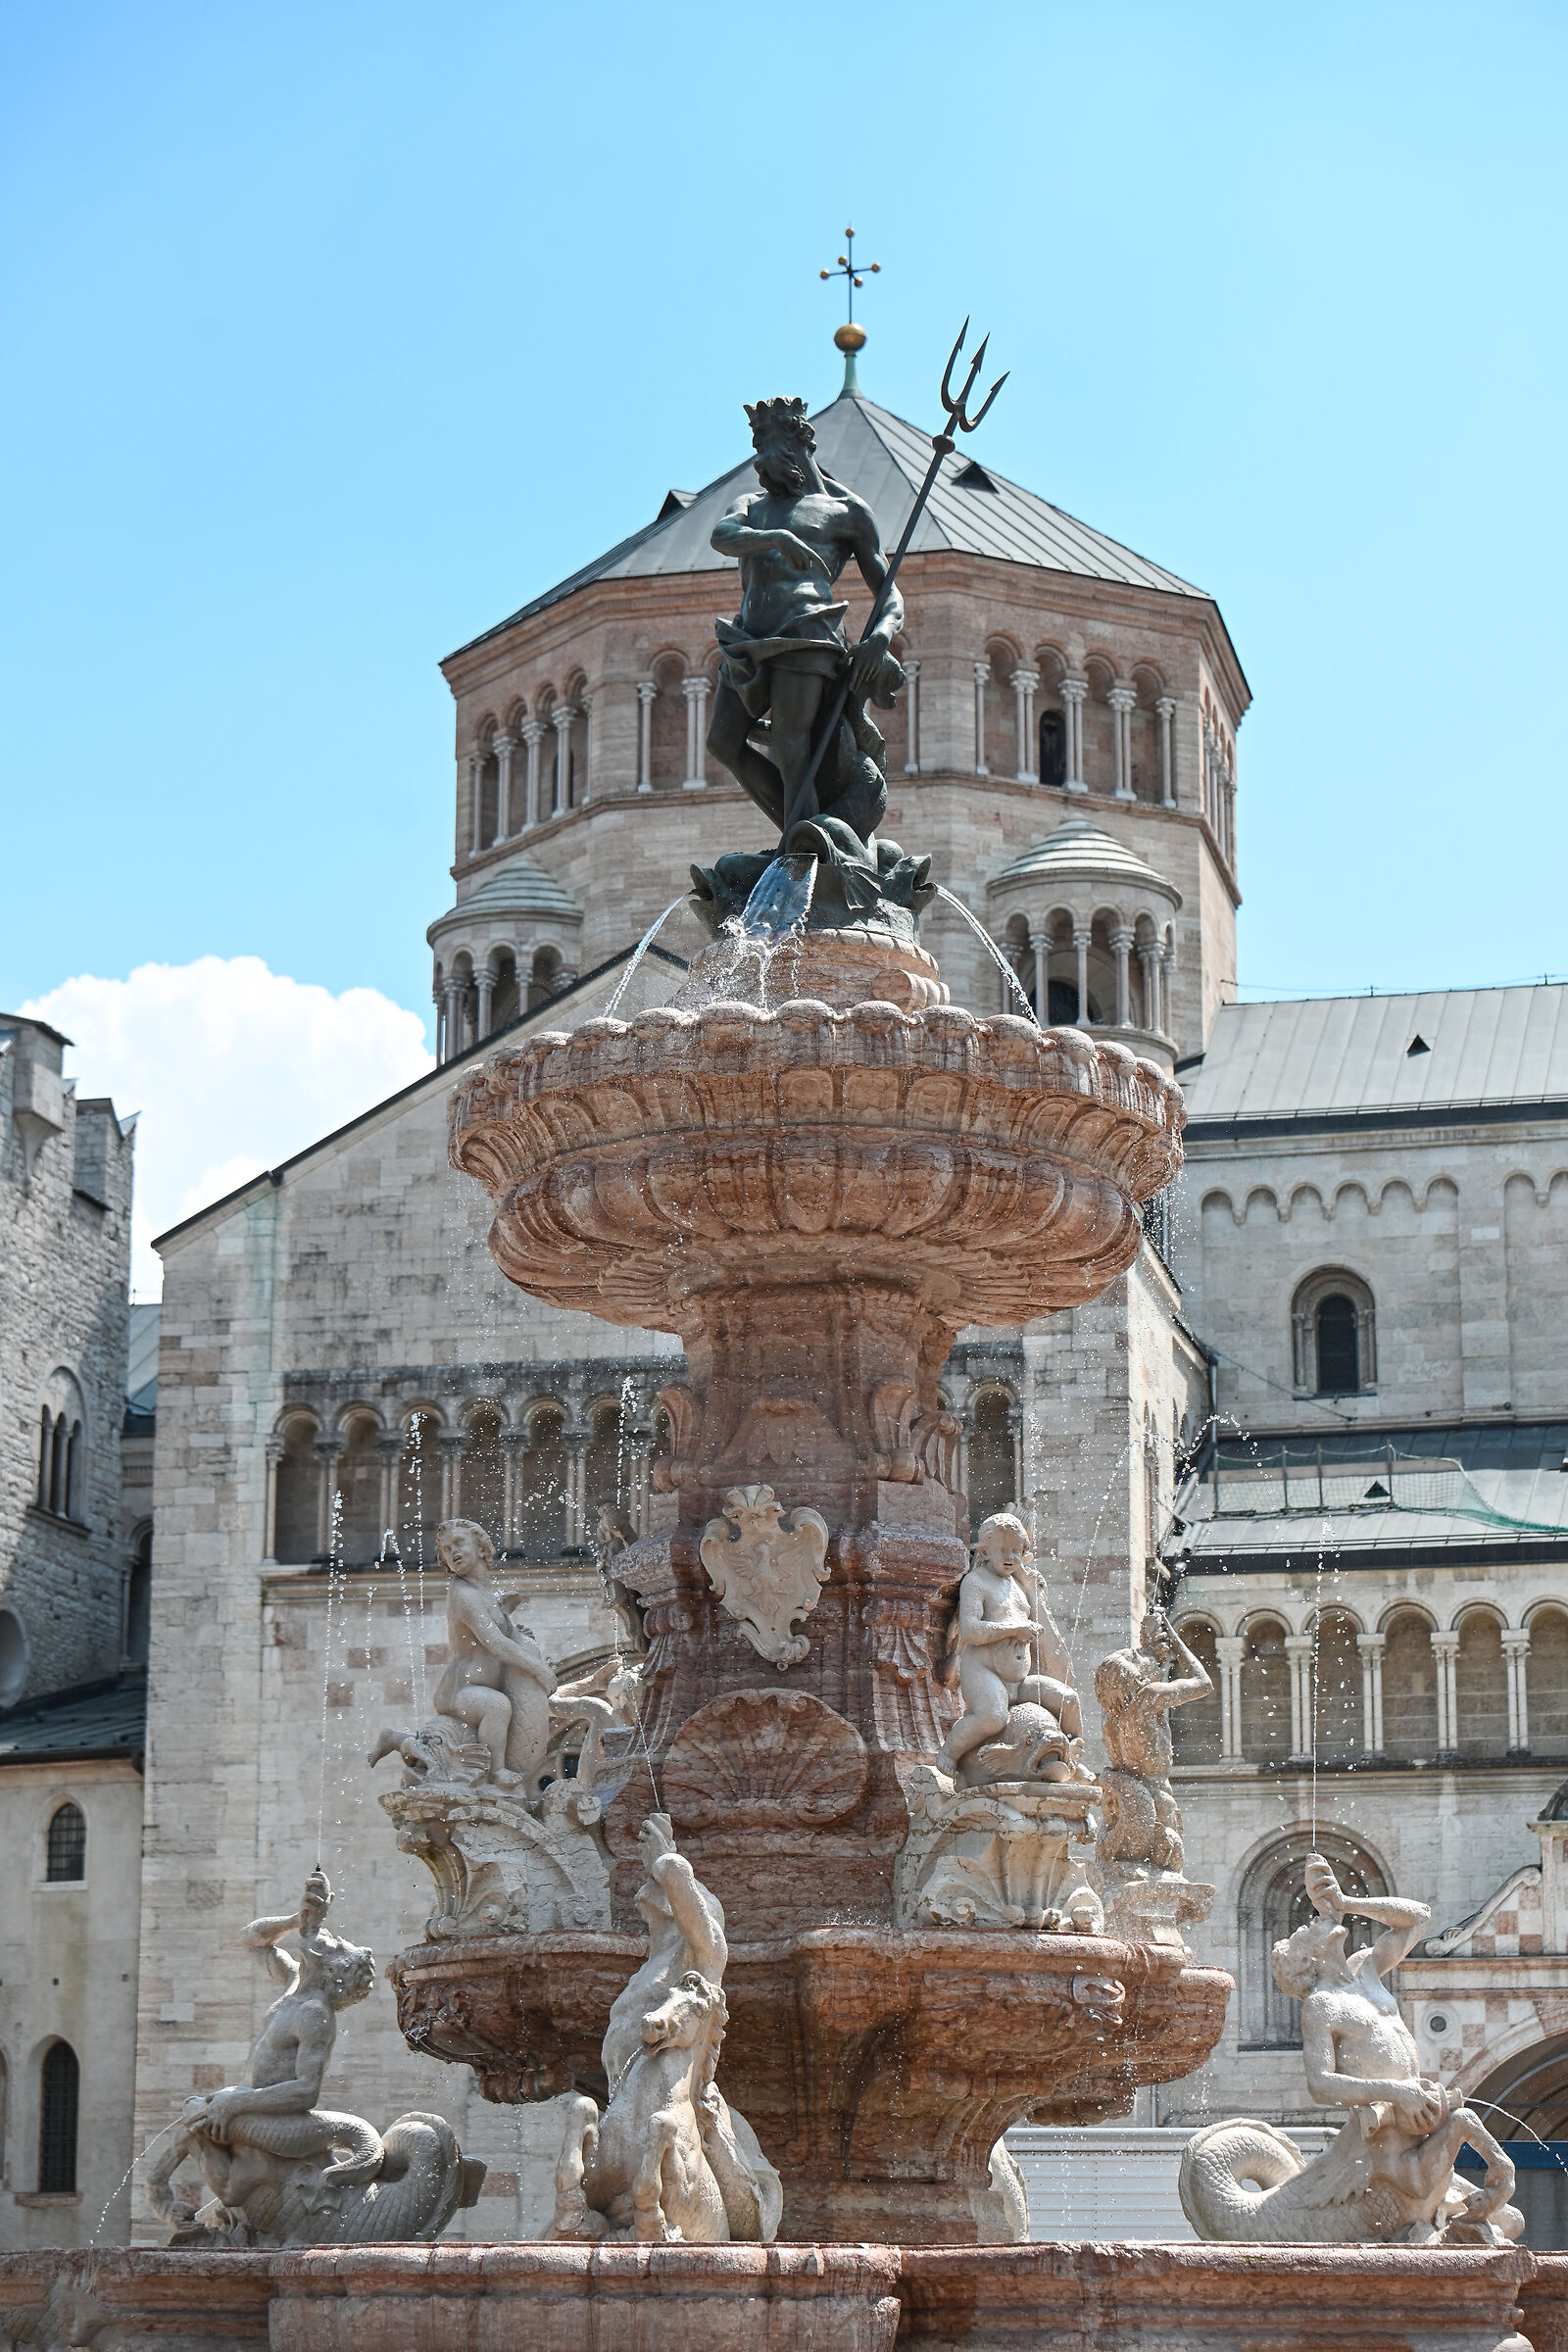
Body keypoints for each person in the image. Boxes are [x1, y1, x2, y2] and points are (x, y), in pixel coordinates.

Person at [707, 395, 904, 863]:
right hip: (750, 638)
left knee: (794, 745)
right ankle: (808, 832)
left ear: (801, 446)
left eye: (771, 448)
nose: (761, 461)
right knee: (723, 742)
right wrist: (776, 538)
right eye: (758, 449)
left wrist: (880, 635)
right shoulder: (752, 505)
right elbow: (720, 536)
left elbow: (890, 593)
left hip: (809, 632)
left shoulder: (847, 511)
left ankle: (801, 852)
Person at [187, 1868, 375, 2153]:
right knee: (194, 2109)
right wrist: (294, 1920)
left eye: (336, 1945)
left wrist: (237, 2102)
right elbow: (250, 1940)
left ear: (334, 1969)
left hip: (272, 2120)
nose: (328, 1935)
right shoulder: (294, 1982)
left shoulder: (314, 2013)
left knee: (197, 2116)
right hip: (249, 2104)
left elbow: (307, 2090)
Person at [938, 1512, 1082, 1782]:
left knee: (1068, 1700)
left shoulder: (1017, 1585)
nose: (1011, 1557)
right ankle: (948, 1753)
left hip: (1019, 1681)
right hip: (984, 1672)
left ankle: (1070, 1756)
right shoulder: (976, 1582)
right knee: (993, 1717)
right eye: (1003, 1550)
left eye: (1016, 1551)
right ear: (985, 1549)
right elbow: (970, 1629)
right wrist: (1015, 1629)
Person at [431, 1517, 554, 1792]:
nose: (454, 1552)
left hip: (481, 1686)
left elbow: (495, 1634)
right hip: (461, 1691)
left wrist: (506, 1615)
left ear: (482, 1548)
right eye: (447, 1550)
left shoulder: (483, 1592)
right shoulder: (462, 1593)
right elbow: (495, 1643)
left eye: (459, 1543)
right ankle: (496, 1770)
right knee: (497, 1706)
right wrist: (538, 1669)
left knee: (499, 1704)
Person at [1094, 1605, 1211, 1870]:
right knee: (1164, 1884)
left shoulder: (1111, 1718)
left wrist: (1149, 1645)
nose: (1147, 1656)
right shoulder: (1149, 1697)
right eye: (1138, 1655)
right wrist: (1173, 1636)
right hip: (1158, 1809)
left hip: (1118, 1812)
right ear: (1135, 1678)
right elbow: (1204, 1682)